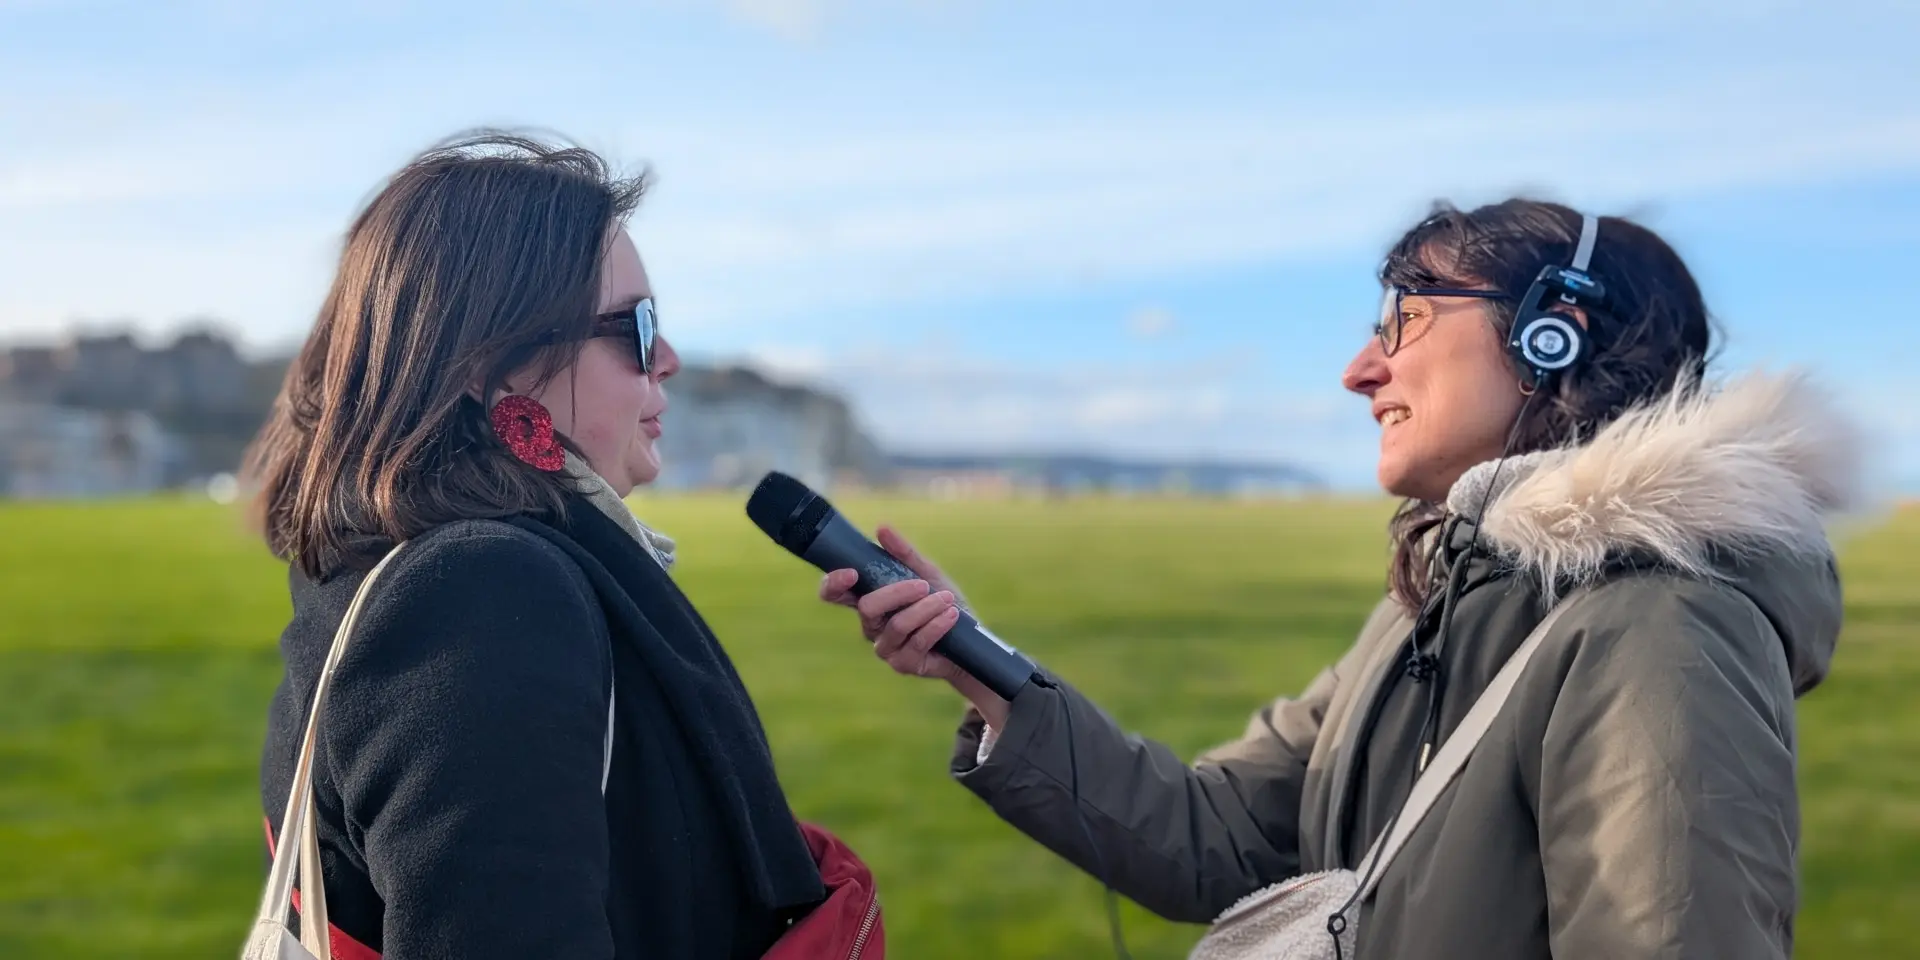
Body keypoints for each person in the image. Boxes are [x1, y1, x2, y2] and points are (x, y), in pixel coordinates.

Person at [821, 198, 1866, 958]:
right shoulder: (1442, 590)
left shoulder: (1662, 626)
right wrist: (983, 669)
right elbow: (1220, 839)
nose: (1361, 370)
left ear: (1556, 332)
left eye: (1406, 320)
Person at [247, 131, 831, 958]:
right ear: (500, 363)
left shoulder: (396, 564)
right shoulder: (478, 593)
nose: (667, 359)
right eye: (637, 327)